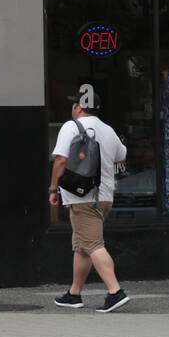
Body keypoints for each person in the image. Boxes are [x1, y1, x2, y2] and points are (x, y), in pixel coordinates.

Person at [50, 95, 130, 312]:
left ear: (78, 107)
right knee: (82, 246)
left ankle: (115, 292)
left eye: (73, 105)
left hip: (82, 198)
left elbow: (61, 160)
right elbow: (121, 157)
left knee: (93, 245)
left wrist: (53, 188)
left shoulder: (71, 126)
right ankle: (74, 294)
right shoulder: (108, 129)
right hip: (104, 197)